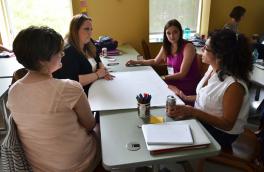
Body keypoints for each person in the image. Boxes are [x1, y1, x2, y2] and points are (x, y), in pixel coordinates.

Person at [8, 26, 101, 171]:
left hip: (39, 167)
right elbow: (89, 125)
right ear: (42, 60)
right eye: (59, 51)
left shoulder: (13, 90)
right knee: (103, 129)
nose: (63, 54)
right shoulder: (69, 88)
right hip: (78, 165)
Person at [167, 29, 253, 148]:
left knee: (173, 134)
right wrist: (183, 96)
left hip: (221, 133)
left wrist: (192, 112)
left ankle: (185, 161)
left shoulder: (234, 86)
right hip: (204, 120)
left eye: (206, 48)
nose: (202, 50)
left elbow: (227, 124)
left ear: (219, 56)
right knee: (169, 121)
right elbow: (209, 98)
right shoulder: (212, 69)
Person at [126, 19, 200, 104]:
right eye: (168, 33)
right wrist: (136, 62)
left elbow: (182, 74)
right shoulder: (166, 46)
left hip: (187, 86)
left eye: (175, 32)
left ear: (180, 32)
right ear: (165, 34)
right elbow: (155, 61)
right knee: (148, 88)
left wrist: (163, 78)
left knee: (155, 91)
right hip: (173, 82)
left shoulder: (188, 47)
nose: (172, 36)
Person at [53, 14, 114, 95]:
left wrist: (104, 71)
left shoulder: (89, 42)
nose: (90, 33)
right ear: (75, 30)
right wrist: (98, 75)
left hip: (95, 88)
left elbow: (98, 60)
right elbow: (73, 81)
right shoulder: (68, 51)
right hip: (79, 95)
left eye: (91, 29)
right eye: (86, 29)